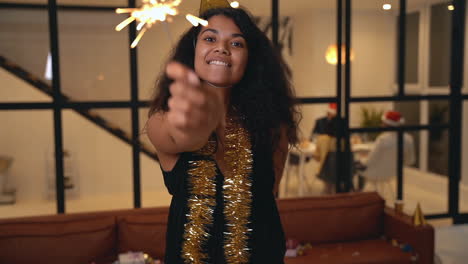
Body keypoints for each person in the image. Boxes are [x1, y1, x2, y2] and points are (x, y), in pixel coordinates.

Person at [146, 4, 299, 264]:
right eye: (209, 38)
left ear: (251, 60)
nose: (222, 48)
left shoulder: (273, 126)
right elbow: (183, 136)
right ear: (192, 50)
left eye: (237, 44)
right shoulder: (164, 120)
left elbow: (269, 192)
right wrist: (200, 121)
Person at [360, 111, 416, 187]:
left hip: (375, 172)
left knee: (354, 166)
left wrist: (361, 160)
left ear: (387, 124)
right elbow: (410, 160)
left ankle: (356, 193)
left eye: (383, 123)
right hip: (394, 172)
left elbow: (369, 161)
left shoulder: (383, 139)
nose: (381, 125)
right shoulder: (409, 139)